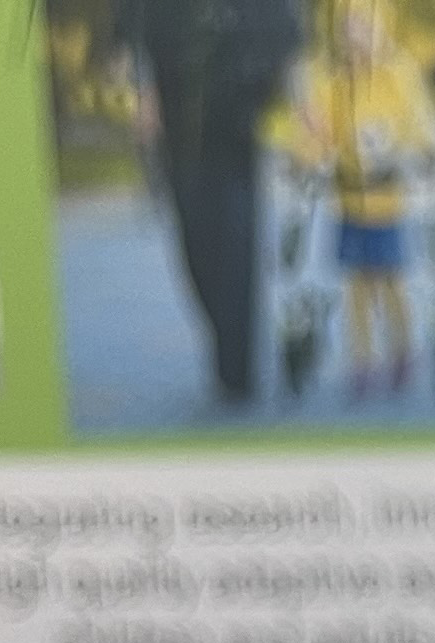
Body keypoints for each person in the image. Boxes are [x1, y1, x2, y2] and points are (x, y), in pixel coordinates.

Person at [116, 0, 309, 406]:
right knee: (195, 242)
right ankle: (228, 345)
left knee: (237, 240)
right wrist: (142, 91)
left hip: (240, 110)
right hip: (178, 113)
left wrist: (297, 102)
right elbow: (134, 21)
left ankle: (237, 370)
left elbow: (285, 23)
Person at [268, 4, 435, 399]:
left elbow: (417, 123)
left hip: (388, 204)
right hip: (349, 203)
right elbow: (319, 134)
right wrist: (301, 156)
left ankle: (403, 353)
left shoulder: (397, 76)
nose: (356, 38)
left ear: (381, 30)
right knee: (357, 289)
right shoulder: (334, 84)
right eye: (348, 29)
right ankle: (362, 363)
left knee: (392, 284)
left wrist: (423, 154)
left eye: (364, 28)